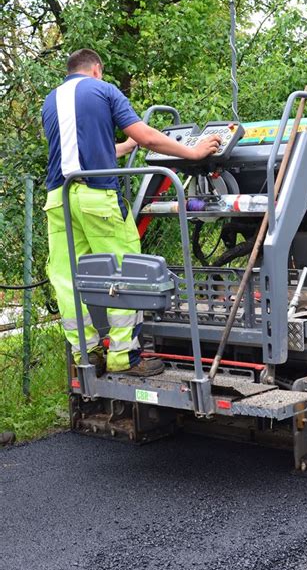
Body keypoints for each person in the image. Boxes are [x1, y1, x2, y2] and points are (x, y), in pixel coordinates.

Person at [42, 48, 221, 377]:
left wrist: (126, 148)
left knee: (66, 278)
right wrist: (193, 152)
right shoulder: (104, 89)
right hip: (96, 198)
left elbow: (86, 150)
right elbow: (148, 137)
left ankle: (87, 353)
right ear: (97, 70)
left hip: (58, 199)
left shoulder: (50, 101)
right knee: (123, 272)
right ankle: (124, 354)